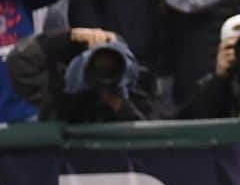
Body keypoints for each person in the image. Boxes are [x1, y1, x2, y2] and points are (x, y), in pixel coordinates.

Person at [7, 27, 150, 123]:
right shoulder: (61, 95)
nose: (104, 74)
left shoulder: (136, 96)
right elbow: (20, 62)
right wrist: (66, 39)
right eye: (99, 65)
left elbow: (149, 141)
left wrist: (118, 103)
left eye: (111, 67)